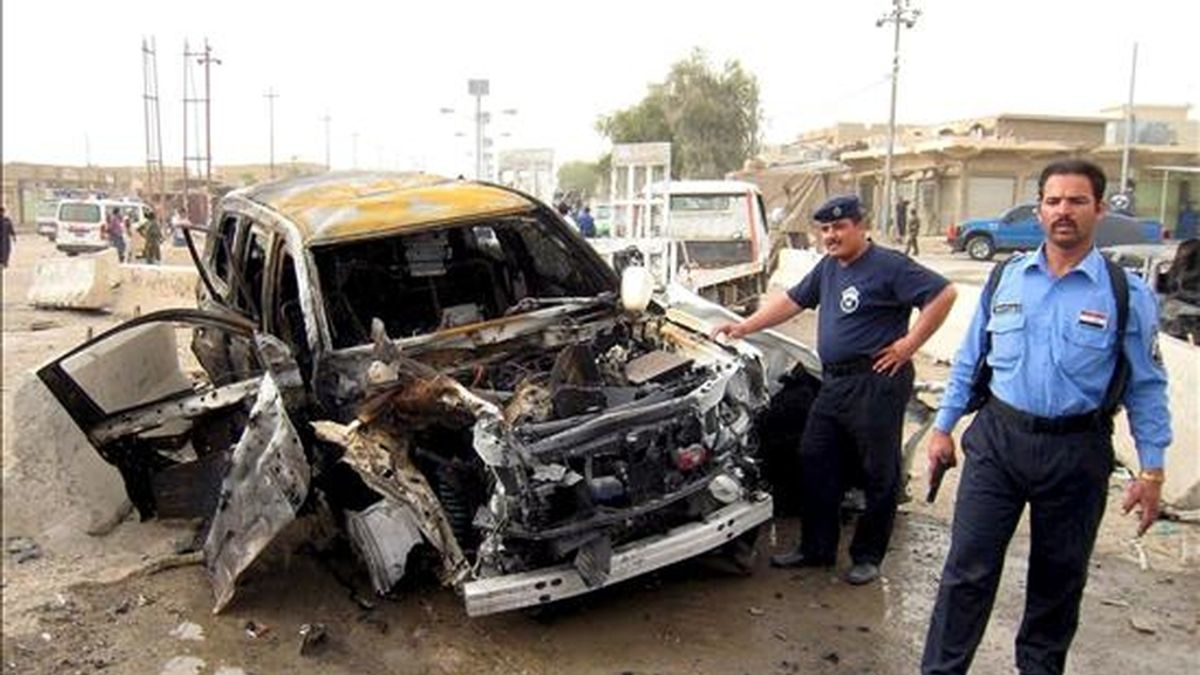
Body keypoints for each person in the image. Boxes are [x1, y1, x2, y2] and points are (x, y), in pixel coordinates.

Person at [921, 159, 1171, 675]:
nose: (1064, 212)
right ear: (1039, 210)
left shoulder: (1126, 295)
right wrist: (943, 428)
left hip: (1076, 453)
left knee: (1057, 583)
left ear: (1098, 209)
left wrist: (1152, 471)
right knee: (966, 573)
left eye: (1077, 201)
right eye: (1054, 201)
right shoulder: (1005, 280)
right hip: (998, 441)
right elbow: (971, 360)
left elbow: (1147, 386)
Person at [712, 194, 957, 585]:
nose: (831, 235)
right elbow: (792, 302)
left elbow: (943, 294)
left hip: (876, 381)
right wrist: (744, 327)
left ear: (861, 226)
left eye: (840, 227)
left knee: (879, 471)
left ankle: (867, 556)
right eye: (825, 229)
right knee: (815, 457)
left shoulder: (889, 265)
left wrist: (909, 345)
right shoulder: (828, 268)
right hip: (835, 381)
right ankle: (817, 548)